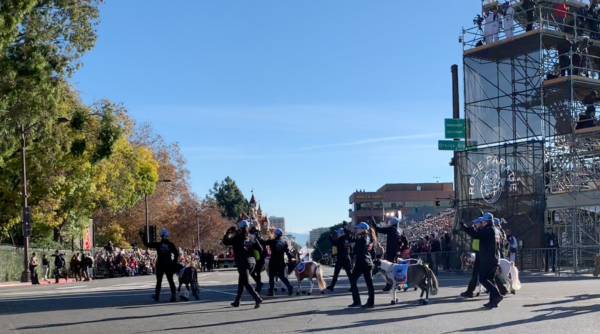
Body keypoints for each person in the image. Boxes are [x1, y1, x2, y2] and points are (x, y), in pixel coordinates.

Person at [463, 213, 503, 309]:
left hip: (487, 258)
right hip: (495, 257)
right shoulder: (497, 230)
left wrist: (466, 228)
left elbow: (476, 235)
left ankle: (497, 295)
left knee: (483, 279)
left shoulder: (488, 230)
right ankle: (493, 301)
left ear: (485, 222)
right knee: (491, 279)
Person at [222, 221, 263, 308]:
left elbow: (225, 242)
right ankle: (237, 301)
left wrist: (228, 233)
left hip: (242, 262)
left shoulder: (237, 238)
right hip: (252, 262)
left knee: (245, 282)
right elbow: (260, 248)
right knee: (241, 281)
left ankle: (257, 298)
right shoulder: (252, 237)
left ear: (239, 228)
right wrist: (250, 249)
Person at [142, 228, 179, 302]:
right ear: (167, 236)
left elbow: (147, 244)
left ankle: (157, 296)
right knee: (170, 280)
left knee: (159, 281)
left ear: (160, 236)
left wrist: (143, 237)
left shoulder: (158, 244)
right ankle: (173, 295)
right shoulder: (170, 244)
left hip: (160, 264)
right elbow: (176, 253)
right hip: (169, 263)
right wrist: (174, 262)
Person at [347, 222, 376, 309]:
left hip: (362, 263)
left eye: (359, 228)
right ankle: (370, 302)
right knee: (369, 284)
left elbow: (352, 239)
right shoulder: (367, 237)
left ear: (363, 229)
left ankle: (357, 301)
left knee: (353, 281)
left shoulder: (363, 237)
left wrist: (346, 230)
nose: (357, 229)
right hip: (366, 262)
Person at [373, 217, 404, 291]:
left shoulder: (391, 229)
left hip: (391, 252)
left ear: (393, 223)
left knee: (389, 269)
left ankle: (389, 285)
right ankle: (401, 284)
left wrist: (374, 224)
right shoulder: (400, 230)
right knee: (397, 269)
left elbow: (380, 230)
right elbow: (404, 242)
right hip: (397, 253)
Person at [263, 228, 294, 296]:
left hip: (273, 261)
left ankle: (271, 291)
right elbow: (288, 252)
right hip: (281, 262)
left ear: (276, 234)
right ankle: (289, 287)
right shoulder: (284, 242)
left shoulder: (273, 241)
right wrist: (290, 260)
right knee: (282, 277)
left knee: (271, 276)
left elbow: (264, 242)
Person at [460, 218, 482, 299]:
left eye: (476, 223)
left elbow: (475, 234)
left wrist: (467, 228)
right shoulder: (482, 230)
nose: (474, 225)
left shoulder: (482, 231)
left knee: (480, 276)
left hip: (482, 254)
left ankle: (497, 292)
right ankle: (470, 291)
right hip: (478, 253)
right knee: (476, 275)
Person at [327, 224, 352, 292]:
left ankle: (332, 286)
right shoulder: (347, 239)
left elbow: (333, 242)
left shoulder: (339, 240)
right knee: (349, 274)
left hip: (340, 259)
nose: (337, 235)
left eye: (338, 233)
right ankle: (353, 287)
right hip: (347, 258)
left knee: (336, 274)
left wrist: (330, 235)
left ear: (341, 233)